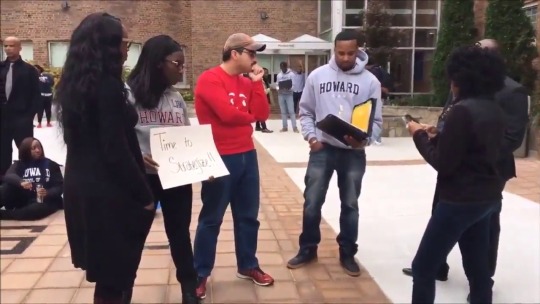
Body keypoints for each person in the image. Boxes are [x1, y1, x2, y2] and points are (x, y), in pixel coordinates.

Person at [401, 39, 530, 300]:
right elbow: (474, 146)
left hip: (459, 200)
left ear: (458, 78)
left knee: (423, 267)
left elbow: (443, 163)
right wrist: (439, 135)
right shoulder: (493, 108)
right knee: (478, 268)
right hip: (487, 197)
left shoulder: (463, 110)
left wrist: (418, 135)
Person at [55, 12, 155, 304]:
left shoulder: (76, 85)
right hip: (108, 193)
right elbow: (114, 149)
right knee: (115, 278)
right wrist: (144, 195)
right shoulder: (108, 87)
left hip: (81, 186)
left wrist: (138, 157)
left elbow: (95, 140)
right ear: (109, 46)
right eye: (125, 42)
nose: (127, 49)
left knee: (111, 275)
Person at [287, 30, 382, 276]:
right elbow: (305, 111)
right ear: (334, 51)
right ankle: (308, 248)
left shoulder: (370, 81)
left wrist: (364, 141)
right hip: (323, 149)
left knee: (350, 204)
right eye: (341, 53)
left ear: (358, 50)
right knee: (312, 202)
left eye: (351, 53)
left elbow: (376, 122)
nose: (346, 58)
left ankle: (348, 252)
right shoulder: (317, 77)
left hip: (353, 153)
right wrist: (311, 137)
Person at [193, 32, 273, 299]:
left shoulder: (247, 81)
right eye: (251, 53)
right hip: (217, 156)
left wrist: (258, 84)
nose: (255, 58)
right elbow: (226, 116)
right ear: (235, 53)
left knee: (248, 216)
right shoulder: (210, 79)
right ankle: (200, 272)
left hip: (246, 155)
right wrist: (248, 117)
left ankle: (248, 265)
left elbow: (262, 115)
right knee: (212, 218)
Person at [126, 34, 199, 304]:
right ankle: (123, 291)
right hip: (142, 180)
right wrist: (136, 155)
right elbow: (117, 136)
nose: (181, 69)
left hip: (176, 178)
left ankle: (189, 289)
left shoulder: (177, 100)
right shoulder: (128, 95)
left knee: (180, 234)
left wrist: (204, 164)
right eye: (177, 64)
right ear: (158, 63)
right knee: (134, 237)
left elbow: (189, 139)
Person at [0, 37, 41, 183]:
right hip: (2, 119)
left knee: (25, 151)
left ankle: (28, 179)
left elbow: (36, 96)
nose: (8, 48)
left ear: (19, 48)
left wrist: (29, 116)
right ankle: (5, 182)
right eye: (5, 46)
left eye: (12, 46)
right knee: (3, 152)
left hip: (22, 118)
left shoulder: (29, 70)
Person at [0, 137, 63, 221]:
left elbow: (60, 186)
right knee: (7, 188)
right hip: (23, 197)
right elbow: (9, 175)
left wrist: (47, 192)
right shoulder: (19, 164)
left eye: (39, 147)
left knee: (36, 210)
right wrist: (21, 182)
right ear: (26, 150)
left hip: (43, 200)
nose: (37, 150)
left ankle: (6, 215)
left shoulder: (51, 164)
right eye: (33, 148)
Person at [276, 61, 299, 132]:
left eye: (284, 67)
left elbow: (294, 85)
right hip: (281, 94)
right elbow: (277, 84)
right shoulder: (279, 75)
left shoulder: (291, 74)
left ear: (286, 67)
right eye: (281, 67)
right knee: (283, 112)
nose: (283, 69)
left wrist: (289, 88)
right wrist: (278, 89)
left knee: (291, 111)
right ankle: (284, 127)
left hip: (289, 94)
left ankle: (294, 127)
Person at [255, 67, 273, 133]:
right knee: (262, 112)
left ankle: (257, 126)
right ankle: (264, 127)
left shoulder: (264, 80)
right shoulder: (260, 80)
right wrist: (268, 89)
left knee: (259, 112)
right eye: (265, 73)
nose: (267, 74)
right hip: (260, 98)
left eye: (267, 73)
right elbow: (262, 91)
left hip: (261, 98)